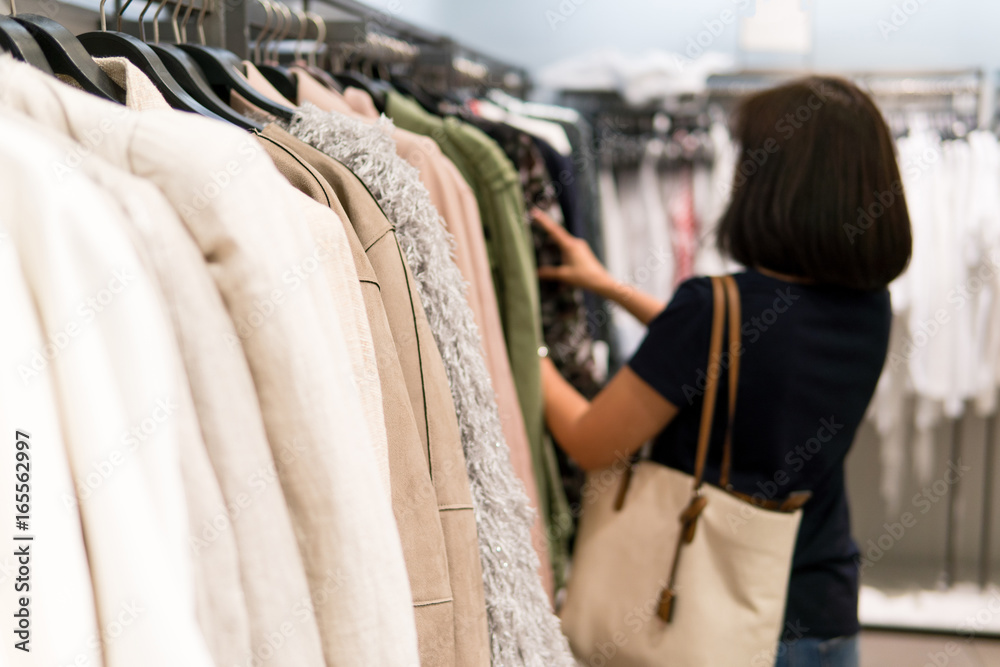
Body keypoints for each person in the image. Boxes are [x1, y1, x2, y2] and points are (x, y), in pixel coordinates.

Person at [535, 76, 912, 667]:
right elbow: (751, 353)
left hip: (705, 617)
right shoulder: (869, 303)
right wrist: (611, 287)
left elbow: (590, 442)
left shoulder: (714, 309)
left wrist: (516, 345)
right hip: (825, 611)